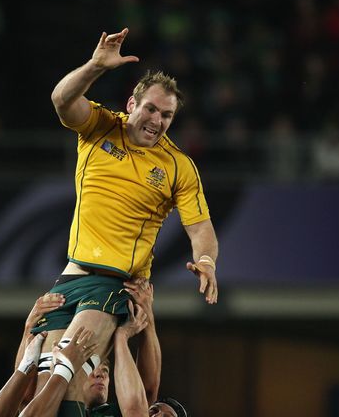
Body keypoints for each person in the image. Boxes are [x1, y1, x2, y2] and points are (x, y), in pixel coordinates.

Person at [31, 27, 219, 414]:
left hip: (117, 285)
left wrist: (206, 261)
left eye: (167, 115)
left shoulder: (177, 166)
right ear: (132, 104)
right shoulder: (100, 126)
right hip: (70, 277)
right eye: (151, 108)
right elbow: (62, 100)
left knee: (67, 377)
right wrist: (95, 66)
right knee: (39, 387)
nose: (157, 120)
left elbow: (200, 228)